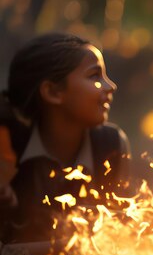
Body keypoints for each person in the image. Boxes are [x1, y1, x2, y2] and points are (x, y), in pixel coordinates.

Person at [0, 32, 131, 243]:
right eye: (95, 76)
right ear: (53, 92)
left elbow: (115, 237)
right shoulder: (8, 149)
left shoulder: (111, 145)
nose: (110, 86)